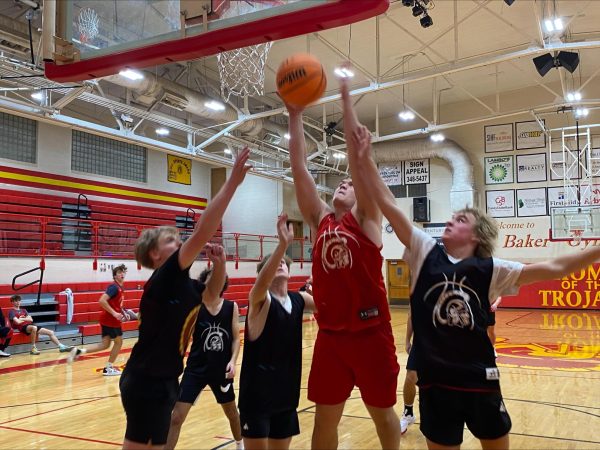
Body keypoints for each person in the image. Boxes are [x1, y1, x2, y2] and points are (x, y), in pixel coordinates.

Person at [350, 119, 600, 449]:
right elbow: (388, 203)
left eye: (460, 219)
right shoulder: (425, 250)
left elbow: (555, 266)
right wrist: (365, 157)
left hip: (480, 379)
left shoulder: (491, 269)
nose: (450, 221)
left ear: (477, 235)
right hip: (435, 383)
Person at [285, 70, 401, 449]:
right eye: (340, 183)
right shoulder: (321, 221)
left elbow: (356, 162)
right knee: (324, 420)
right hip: (331, 336)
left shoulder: (367, 219)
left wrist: (346, 98)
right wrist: (295, 114)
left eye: (350, 184)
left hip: (371, 334)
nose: (344, 183)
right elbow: (300, 169)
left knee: (382, 414)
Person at [119, 147, 250, 450]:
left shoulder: (185, 286)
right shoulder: (163, 279)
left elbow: (213, 292)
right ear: (155, 254)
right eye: (171, 241)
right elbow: (203, 229)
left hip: (166, 379)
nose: (179, 243)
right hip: (144, 379)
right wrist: (231, 184)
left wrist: (220, 264)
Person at [237, 214, 315, 450]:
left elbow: (332, 306)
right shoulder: (260, 299)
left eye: (284, 262)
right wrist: (282, 246)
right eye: (275, 262)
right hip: (257, 398)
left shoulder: (300, 299)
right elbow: (260, 284)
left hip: (287, 395)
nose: (281, 263)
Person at [165, 258, 243, 450]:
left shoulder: (231, 307)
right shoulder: (196, 306)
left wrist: (233, 361)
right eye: (212, 276)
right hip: (196, 368)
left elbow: (235, 339)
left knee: (232, 414)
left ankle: (240, 445)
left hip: (221, 369)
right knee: (176, 417)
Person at [68, 264, 136, 374]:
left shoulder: (120, 288)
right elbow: (102, 300)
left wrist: (123, 313)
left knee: (105, 345)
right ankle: (109, 368)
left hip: (107, 319)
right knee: (119, 342)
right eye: (119, 272)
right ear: (114, 276)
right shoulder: (114, 287)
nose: (122, 274)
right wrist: (114, 313)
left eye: (123, 272)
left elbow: (118, 305)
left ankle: (79, 351)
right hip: (111, 320)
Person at [8, 295, 73, 355]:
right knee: (34, 328)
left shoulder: (24, 310)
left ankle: (61, 346)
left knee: (51, 332)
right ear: (12, 302)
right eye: (16, 301)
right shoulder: (11, 311)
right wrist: (25, 319)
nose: (18, 302)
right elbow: (17, 322)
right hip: (22, 327)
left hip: (30, 325)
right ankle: (33, 348)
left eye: (19, 300)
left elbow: (31, 320)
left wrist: (22, 318)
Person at [400, 307, 418, 435]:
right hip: (421, 342)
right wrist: (407, 340)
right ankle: (408, 413)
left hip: (443, 342)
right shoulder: (417, 289)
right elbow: (412, 314)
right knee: (410, 375)